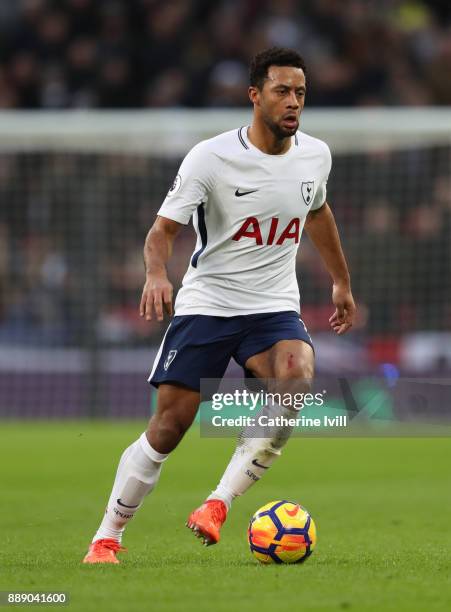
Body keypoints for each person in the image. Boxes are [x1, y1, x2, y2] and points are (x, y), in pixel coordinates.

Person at [83, 47, 356, 564]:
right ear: (255, 96)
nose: (293, 102)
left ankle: (217, 504)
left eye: (300, 92)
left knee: (296, 378)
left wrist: (341, 283)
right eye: (282, 91)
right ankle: (107, 536)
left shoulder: (315, 155)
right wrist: (156, 273)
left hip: (273, 306)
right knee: (169, 427)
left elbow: (318, 212)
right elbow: (163, 230)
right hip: (208, 304)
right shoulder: (210, 157)